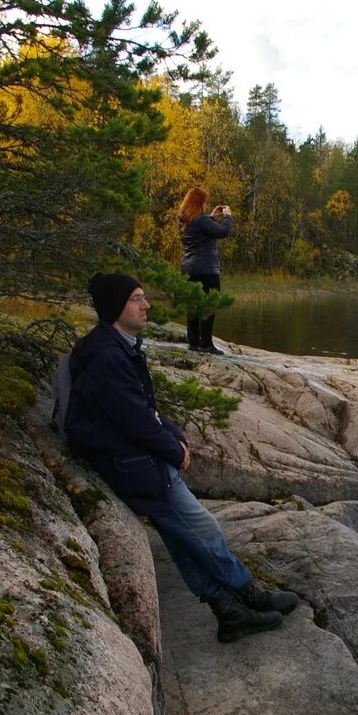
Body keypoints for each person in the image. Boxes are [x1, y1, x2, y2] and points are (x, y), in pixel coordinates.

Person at [65, 272, 298, 642]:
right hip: (130, 464)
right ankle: (246, 594)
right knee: (202, 529)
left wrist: (175, 435)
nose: (147, 305)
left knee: (182, 538)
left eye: (143, 297)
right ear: (115, 308)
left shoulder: (117, 345)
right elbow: (136, 421)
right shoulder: (108, 357)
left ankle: (230, 611)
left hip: (129, 456)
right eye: (137, 299)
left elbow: (143, 408)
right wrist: (173, 449)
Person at [178, 187, 233, 355]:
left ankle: (193, 342)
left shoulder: (184, 221)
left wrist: (210, 216)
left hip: (188, 269)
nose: (207, 204)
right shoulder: (201, 221)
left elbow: (202, 227)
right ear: (200, 203)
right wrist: (228, 217)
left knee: (193, 307)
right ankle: (206, 344)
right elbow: (223, 232)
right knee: (208, 306)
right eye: (205, 202)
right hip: (206, 269)